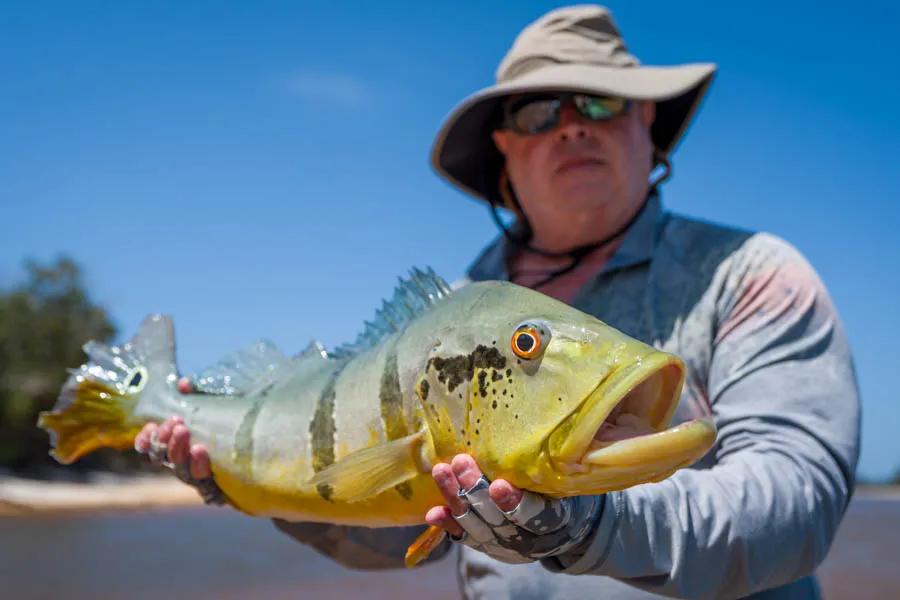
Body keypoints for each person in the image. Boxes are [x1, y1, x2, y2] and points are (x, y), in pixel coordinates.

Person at [135, 6, 860, 598]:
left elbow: (796, 501)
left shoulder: (751, 275)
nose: (574, 124)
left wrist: (591, 524)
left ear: (648, 126)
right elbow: (399, 533)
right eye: (543, 109)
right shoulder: (445, 321)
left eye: (602, 101)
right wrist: (248, 484)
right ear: (505, 149)